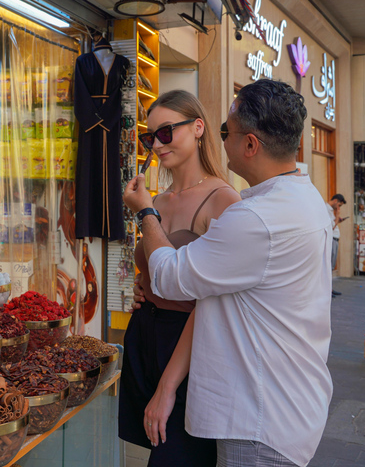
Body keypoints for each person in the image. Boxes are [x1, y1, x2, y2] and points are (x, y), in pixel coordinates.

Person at [124, 79, 333, 467]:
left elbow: (172, 276)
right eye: (148, 137)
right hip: (271, 394)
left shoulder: (252, 217)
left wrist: (145, 212)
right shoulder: (300, 201)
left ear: (250, 144)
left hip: (260, 409)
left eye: (226, 132)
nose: (155, 144)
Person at [118, 90, 240, 465]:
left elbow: (214, 302)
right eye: (149, 136)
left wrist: (168, 385)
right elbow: (154, 268)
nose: (157, 144)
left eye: (166, 132)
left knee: (178, 455)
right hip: (145, 336)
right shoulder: (157, 200)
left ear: (198, 127)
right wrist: (142, 287)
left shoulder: (223, 199)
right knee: (152, 451)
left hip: (187, 345)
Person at [327, 194, 346, 297]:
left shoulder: (330, 211)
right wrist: (337, 217)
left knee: (331, 265)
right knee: (329, 265)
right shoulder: (326, 209)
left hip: (334, 239)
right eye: (339, 205)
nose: (339, 208)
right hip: (331, 239)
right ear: (335, 201)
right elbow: (331, 227)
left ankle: (329, 288)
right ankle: (327, 290)